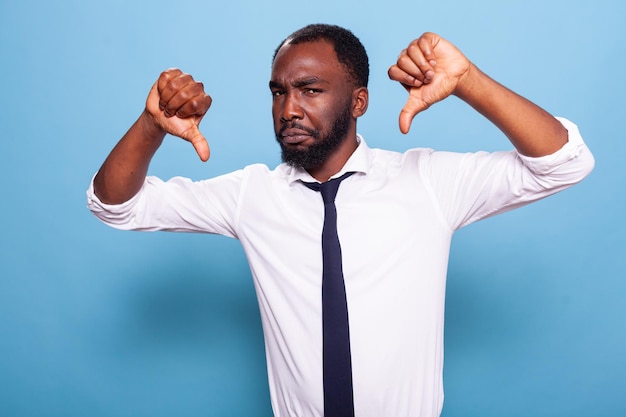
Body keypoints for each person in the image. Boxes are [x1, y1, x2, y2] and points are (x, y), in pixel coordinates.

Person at [87, 24, 594, 417]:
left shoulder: (427, 183)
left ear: (359, 101)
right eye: (279, 92)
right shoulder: (251, 195)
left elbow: (566, 161)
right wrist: (152, 125)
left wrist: (468, 82)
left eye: (309, 89)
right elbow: (116, 206)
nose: (288, 109)